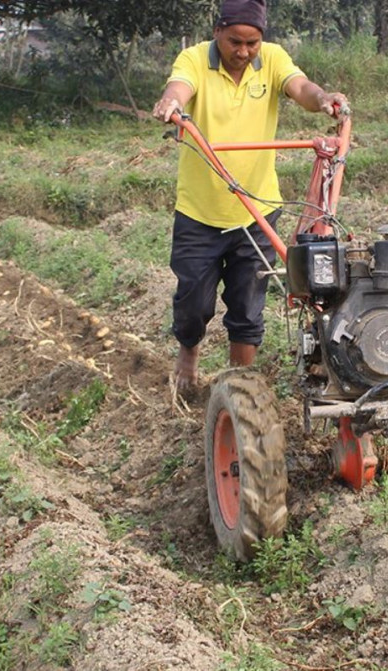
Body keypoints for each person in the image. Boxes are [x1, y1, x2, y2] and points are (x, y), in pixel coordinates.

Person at [152, 0, 348, 391]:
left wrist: (323, 99)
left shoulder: (272, 59)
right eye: (234, 42)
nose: (243, 52)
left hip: (257, 211)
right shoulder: (193, 59)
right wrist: (172, 102)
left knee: (247, 306)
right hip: (200, 213)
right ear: (217, 34)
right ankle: (188, 353)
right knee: (193, 305)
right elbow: (181, 86)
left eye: (252, 43)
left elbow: (301, 88)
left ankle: (238, 386)